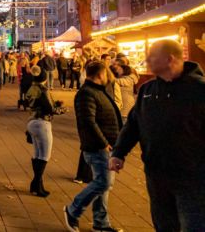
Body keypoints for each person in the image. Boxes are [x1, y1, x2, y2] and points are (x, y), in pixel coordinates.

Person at [110, 40, 205, 231]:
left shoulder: (199, 91)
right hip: (157, 175)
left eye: (152, 56)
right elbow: (134, 124)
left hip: (193, 178)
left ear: (170, 59)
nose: (146, 60)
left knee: (193, 226)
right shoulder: (148, 90)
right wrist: (118, 152)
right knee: (164, 225)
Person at [64, 61, 122, 232]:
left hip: (107, 146)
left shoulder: (98, 92)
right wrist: (104, 143)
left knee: (104, 185)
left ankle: (101, 223)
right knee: (103, 183)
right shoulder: (86, 93)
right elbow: (88, 121)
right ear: (101, 74)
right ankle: (73, 210)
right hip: (97, 147)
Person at [25, 65, 54, 197]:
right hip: (42, 123)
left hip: (31, 122)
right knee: (44, 156)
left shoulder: (31, 88)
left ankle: (37, 184)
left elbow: (27, 103)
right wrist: (60, 109)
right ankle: (37, 183)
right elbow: (49, 108)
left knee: (37, 154)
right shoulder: (43, 90)